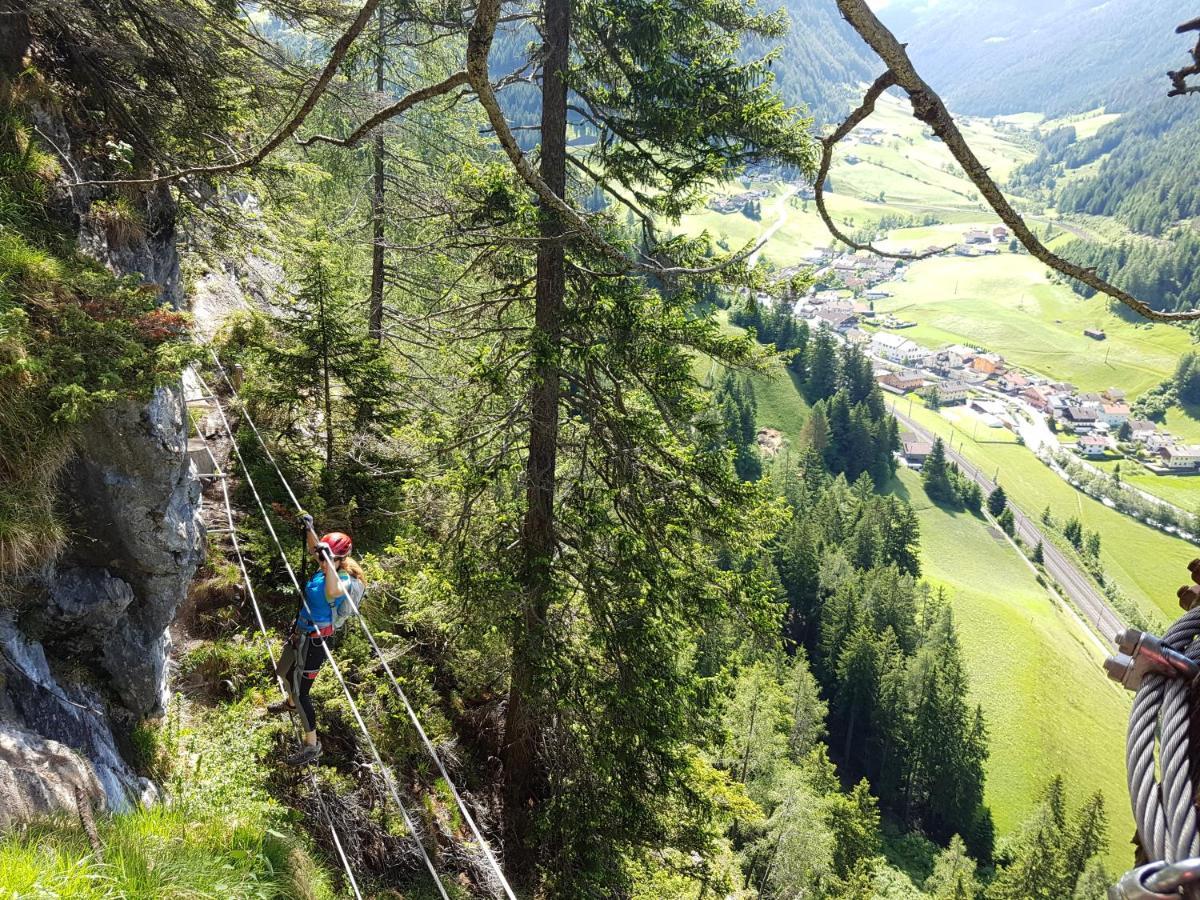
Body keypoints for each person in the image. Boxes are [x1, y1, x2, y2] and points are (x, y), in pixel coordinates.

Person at [268, 514, 366, 766]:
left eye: (327, 559)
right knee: (284, 670)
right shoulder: (326, 568)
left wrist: (328, 562)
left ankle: (312, 745)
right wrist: (311, 530)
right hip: (300, 632)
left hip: (315, 643)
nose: (321, 562)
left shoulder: (342, 579)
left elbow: (332, 592)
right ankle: (290, 704)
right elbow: (316, 550)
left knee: (303, 693)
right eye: (321, 558)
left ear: (340, 560)